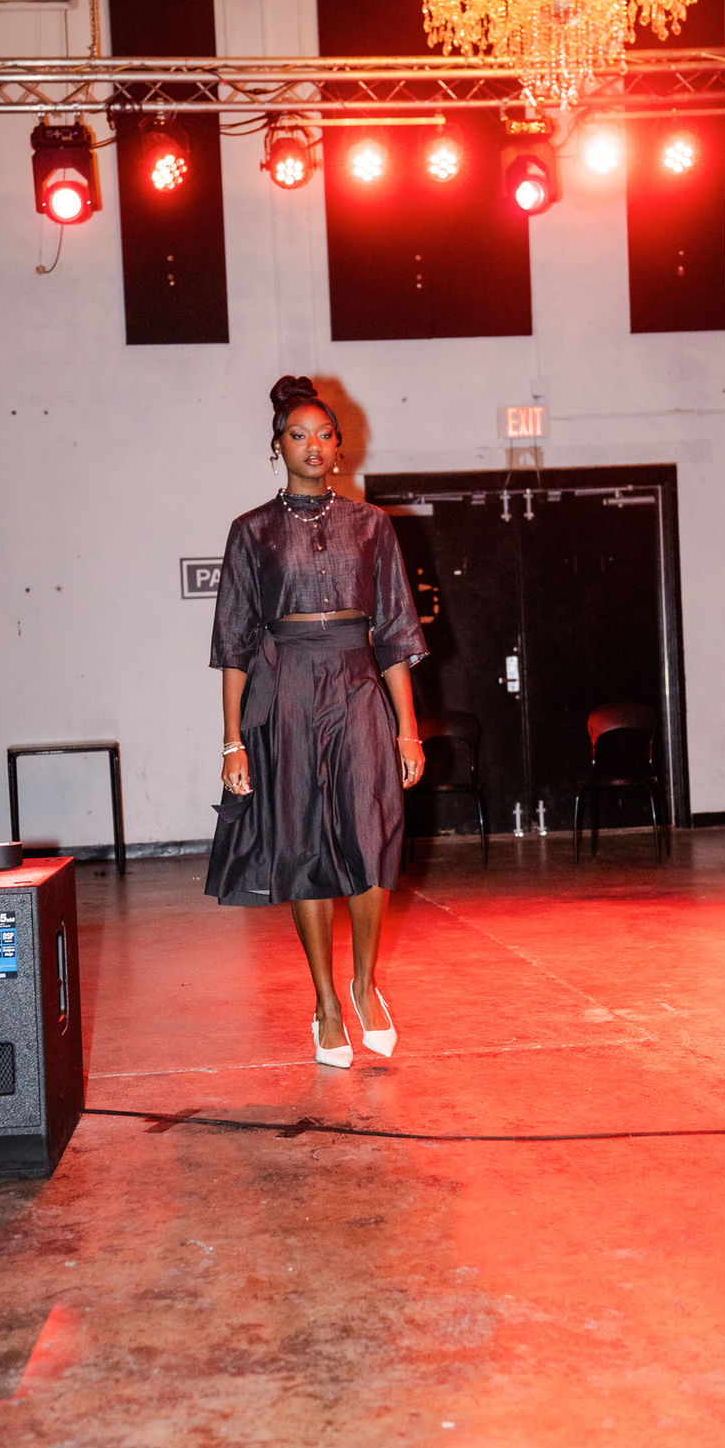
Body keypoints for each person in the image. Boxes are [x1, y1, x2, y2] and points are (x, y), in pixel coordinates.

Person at [205, 374, 428, 1069]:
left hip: (358, 682)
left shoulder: (371, 526)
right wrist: (232, 741)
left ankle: (365, 984)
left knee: (370, 835)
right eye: (297, 436)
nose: (313, 446)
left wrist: (407, 727)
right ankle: (324, 1001)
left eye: (324, 435)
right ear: (277, 447)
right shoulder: (251, 532)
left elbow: (395, 632)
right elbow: (233, 643)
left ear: (339, 445)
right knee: (301, 842)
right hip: (288, 686)